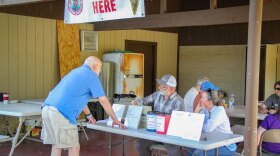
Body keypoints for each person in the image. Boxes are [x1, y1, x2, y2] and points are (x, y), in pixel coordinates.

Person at [42, 56, 126, 156]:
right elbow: (103, 100)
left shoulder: (75, 72)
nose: (100, 70)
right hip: (61, 114)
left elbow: (79, 99)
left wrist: (89, 115)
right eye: (100, 68)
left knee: (56, 145)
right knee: (74, 147)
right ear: (95, 67)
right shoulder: (92, 75)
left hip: (47, 109)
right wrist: (115, 119)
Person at [131, 74, 184, 156]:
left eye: (163, 86)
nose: (159, 88)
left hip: (169, 134)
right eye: (160, 86)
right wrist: (137, 102)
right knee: (139, 145)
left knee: (174, 152)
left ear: (172, 89)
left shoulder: (178, 101)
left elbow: (177, 122)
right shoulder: (157, 94)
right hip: (154, 132)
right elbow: (145, 100)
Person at [189, 90, 237, 156]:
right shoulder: (205, 110)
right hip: (211, 143)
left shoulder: (219, 110)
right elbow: (194, 126)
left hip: (225, 146)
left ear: (209, 102)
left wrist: (199, 126)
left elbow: (208, 128)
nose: (200, 99)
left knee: (199, 155)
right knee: (189, 151)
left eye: (202, 98)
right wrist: (196, 111)